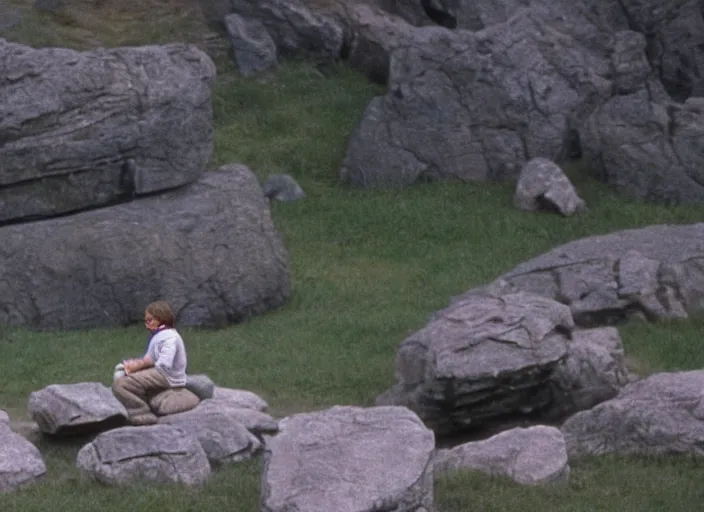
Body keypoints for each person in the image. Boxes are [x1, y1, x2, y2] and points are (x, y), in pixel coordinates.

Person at [112, 300, 188, 426]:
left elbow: (164, 363)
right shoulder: (159, 336)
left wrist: (141, 369)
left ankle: (141, 414)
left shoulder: (169, 337)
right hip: (161, 372)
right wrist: (133, 365)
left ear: (161, 319)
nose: (147, 324)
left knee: (121, 385)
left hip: (167, 376)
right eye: (146, 321)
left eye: (150, 320)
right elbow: (149, 358)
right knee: (121, 372)